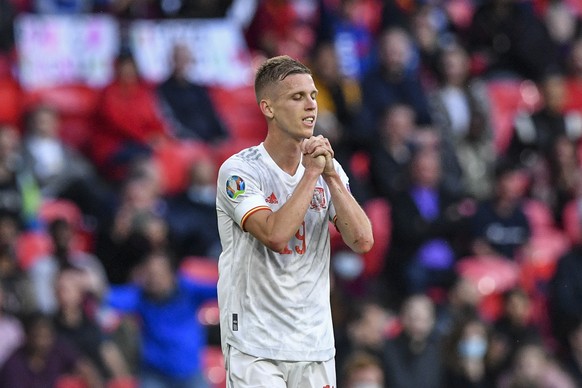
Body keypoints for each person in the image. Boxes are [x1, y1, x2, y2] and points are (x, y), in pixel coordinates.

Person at [215, 55, 373, 387]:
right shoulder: (239, 172)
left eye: (313, 96)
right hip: (255, 345)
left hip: (314, 344)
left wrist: (330, 177)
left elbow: (362, 241)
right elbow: (275, 235)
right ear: (268, 108)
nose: (311, 106)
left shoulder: (327, 170)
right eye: (297, 97)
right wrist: (312, 172)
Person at [105, 251, 217, 388]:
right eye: (150, 274)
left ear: (172, 274)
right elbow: (109, 297)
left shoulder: (188, 289)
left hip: (191, 374)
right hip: (155, 375)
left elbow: (220, 290)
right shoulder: (140, 296)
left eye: (159, 274)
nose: (154, 279)